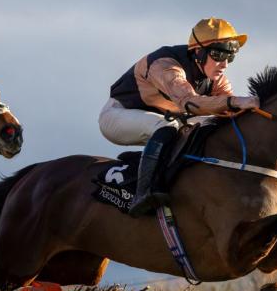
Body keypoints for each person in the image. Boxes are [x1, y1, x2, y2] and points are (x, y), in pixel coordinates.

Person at [100, 17, 260, 217]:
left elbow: (229, 111)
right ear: (198, 52)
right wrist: (236, 102)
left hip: (165, 119)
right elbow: (189, 102)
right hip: (118, 115)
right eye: (219, 54)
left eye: (231, 57)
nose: (224, 64)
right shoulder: (165, 64)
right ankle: (144, 193)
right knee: (166, 127)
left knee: (211, 125)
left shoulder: (216, 80)